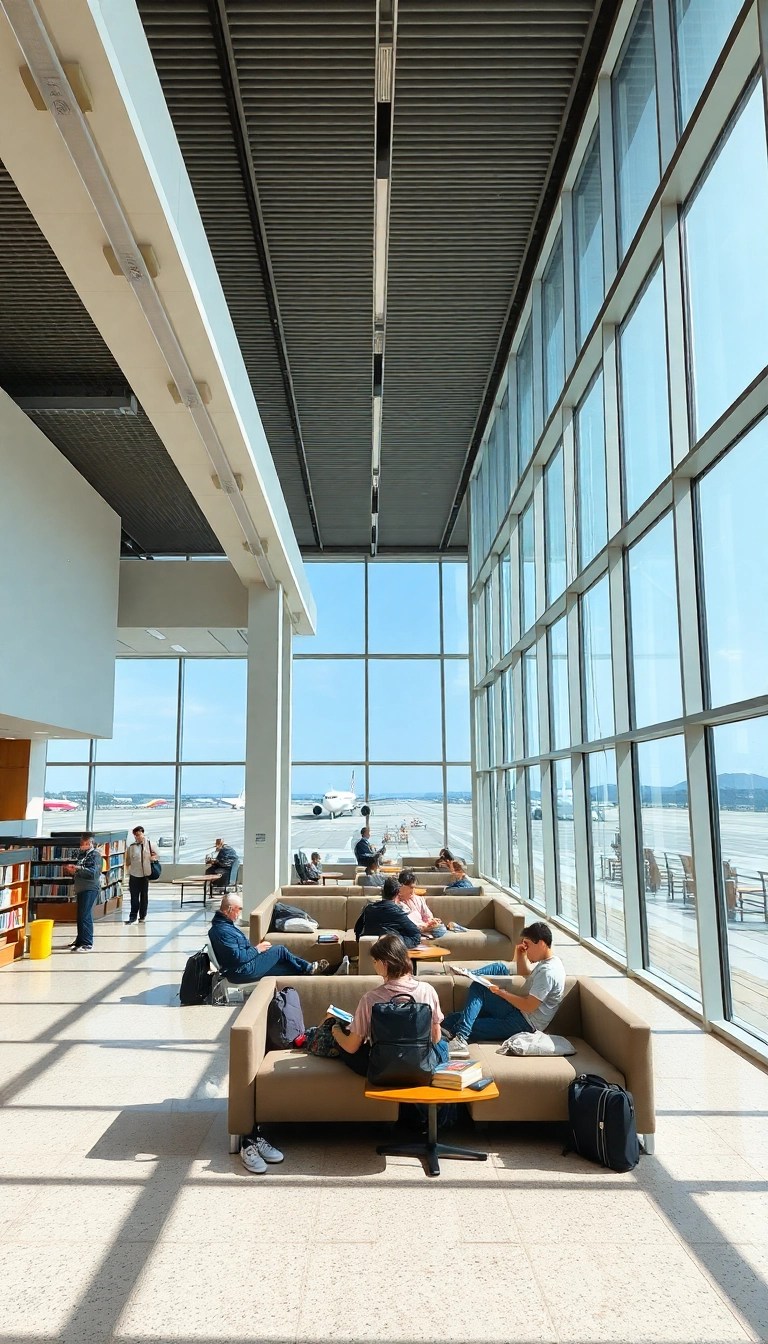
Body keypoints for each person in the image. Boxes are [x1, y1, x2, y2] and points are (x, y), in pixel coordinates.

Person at [329, 933, 448, 1075]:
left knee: (347, 1044)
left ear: (384, 964)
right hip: (421, 1065)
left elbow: (351, 1047)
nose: (373, 965)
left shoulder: (370, 999)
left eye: (374, 961)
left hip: (384, 1067)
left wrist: (336, 1032)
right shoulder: (427, 990)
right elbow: (436, 1038)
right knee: (443, 1043)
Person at [442, 921, 565, 1058]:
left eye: (528, 945)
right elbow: (525, 977)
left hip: (523, 1024)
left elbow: (529, 1006)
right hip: (518, 1012)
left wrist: (502, 993)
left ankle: (460, 1038)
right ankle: (456, 1035)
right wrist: (520, 955)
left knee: (456, 1021)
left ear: (541, 943)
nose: (526, 948)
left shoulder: (548, 972)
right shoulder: (549, 962)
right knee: (481, 985)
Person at [209, 893, 337, 982]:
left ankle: (324, 975)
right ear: (230, 909)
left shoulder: (224, 927)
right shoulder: (223, 931)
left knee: (287, 968)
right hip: (242, 971)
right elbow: (238, 958)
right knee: (279, 950)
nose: (240, 913)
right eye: (239, 909)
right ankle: (311, 968)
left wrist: (256, 950)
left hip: (242, 968)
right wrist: (257, 949)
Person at [354, 876, 421, 948]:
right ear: (397, 893)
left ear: (382, 892)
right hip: (391, 953)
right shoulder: (397, 912)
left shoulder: (368, 909)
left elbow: (358, 931)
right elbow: (416, 935)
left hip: (369, 951)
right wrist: (396, 942)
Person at [63, 833, 103, 952]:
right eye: (81, 844)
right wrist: (73, 871)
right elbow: (80, 870)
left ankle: (87, 943)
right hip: (81, 888)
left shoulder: (95, 855)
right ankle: (80, 940)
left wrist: (78, 869)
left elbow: (93, 873)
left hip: (90, 888)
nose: (82, 846)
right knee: (81, 915)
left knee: (86, 915)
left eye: (85, 844)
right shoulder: (82, 855)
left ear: (90, 844)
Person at [396, 869, 448, 939]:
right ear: (401, 886)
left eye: (414, 887)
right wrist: (425, 926)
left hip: (424, 929)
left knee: (440, 929)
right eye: (411, 887)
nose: (413, 891)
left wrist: (432, 922)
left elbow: (428, 916)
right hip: (410, 931)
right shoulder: (395, 902)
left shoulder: (418, 899)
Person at [124, 824, 159, 925]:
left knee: (144, 896)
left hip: (145, 875)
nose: (137, 837)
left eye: (139, 834)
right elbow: (128, 861)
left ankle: (142, 916)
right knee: (134, 897)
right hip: (134, 874)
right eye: (135, 835)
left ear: (143, 833)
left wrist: (153, 858)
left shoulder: (150, 844)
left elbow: (158, 855)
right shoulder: (132, 847)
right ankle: (132, 916)